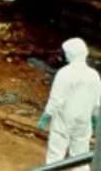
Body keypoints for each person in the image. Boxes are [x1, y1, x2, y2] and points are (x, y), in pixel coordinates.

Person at [38, 37, 101, 170]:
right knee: (80, 155)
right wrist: (95, 119)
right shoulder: (94, 75)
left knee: (56, 153)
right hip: (84, 120)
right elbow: (97, 102)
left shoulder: (64, 73)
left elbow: (56, 99)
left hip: (64, 118)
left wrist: (46, 115)